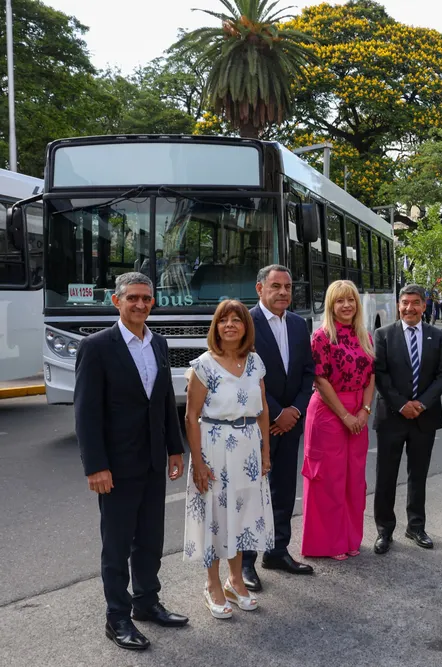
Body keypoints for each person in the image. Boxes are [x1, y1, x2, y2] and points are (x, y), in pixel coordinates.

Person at [74, 272, 187, 651]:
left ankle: (146, 602)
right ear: (117, 302)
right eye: (133, 298)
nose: (140, 305)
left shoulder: (158, 343)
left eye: (146, 299)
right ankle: (117, 616)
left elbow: (163, 402)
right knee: (117, 544)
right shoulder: (97, 347)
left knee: (151, 540)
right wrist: (95, 466)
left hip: (154, 461)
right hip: (116, 466)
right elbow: (86, 413)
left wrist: (175, 448)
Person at [183, 300, 274, 618]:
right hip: (214, 448)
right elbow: (191, 416)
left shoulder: (255, 362)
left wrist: (265, 452)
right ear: (216, 327)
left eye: (238, 320)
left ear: (246, 327)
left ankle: (235, 580)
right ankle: (212, 585)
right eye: (224, 320)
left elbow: (262, 411)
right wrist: (198, 462)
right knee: (215, 517)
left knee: (241, 515)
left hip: (247, 447)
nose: (231, 325)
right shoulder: (204, 365)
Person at [242, 265, 315, 592]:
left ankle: (277, 550)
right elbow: (242, 372)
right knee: (253, 493)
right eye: (276, 286)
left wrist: (295, 411)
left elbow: (306, 373)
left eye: (287, 286)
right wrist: (275, 412)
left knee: (283, 489)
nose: (283, 292)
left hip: (291, 422)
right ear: (260, 289)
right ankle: (246, 562)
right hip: (257, 422)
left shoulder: (300, 324)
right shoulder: (245, 323)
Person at [372, 285, 442, 554]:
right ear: (398, 305)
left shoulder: (436, 336)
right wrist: (402, 404)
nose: (409, 308)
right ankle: (384, 530)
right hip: (392, 417)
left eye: (415, 303)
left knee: (418, 476)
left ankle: (416, 526)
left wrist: (422, 404)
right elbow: (380, 375)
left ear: (424, 306)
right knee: (386, 476)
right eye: (404, 303)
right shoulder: (383, 335)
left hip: (423, 418)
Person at [301, 280, 376, 559]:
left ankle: (350, 539)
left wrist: (364, 411)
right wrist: (345, 415)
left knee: (354, 480)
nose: (346, 306)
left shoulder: (364, 335)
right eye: (339, 301)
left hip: (359, 410)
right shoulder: (321, 337)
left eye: (351, 300)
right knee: (329, 480)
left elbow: (371, 376)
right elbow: (320, 379)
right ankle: (328, 543)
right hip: (329, 413)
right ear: (331, 306)